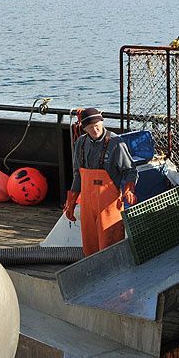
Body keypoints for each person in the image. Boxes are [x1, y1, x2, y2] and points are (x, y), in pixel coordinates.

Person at [63, 108, 138, 256]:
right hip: (87, 205)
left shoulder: (116, 142)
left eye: (97, 125)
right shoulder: (80, 143)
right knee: (89, 246)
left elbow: (130, 170)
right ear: (84, 128)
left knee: (111, 247)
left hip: (109, 206)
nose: (95, 129)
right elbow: (78, 174)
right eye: (90, 127)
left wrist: (129, 189)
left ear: (102, 122)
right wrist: (71, 202)